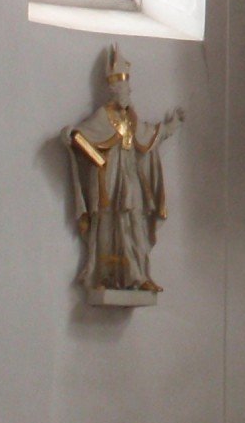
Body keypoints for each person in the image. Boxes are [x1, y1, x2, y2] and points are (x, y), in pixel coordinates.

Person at [64, 44, 183, 295]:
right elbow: (80, 135)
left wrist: (171, 126)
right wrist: (70, 136)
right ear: (114, 91)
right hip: (108, 182)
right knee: (107, 228)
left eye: (128, 88)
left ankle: (138, 276)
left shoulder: (132, 118)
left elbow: (151, 135)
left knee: (134, 227)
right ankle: (103, 274)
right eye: (124, 89)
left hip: (130, 183)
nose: (128, 92)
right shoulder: (102, 116)